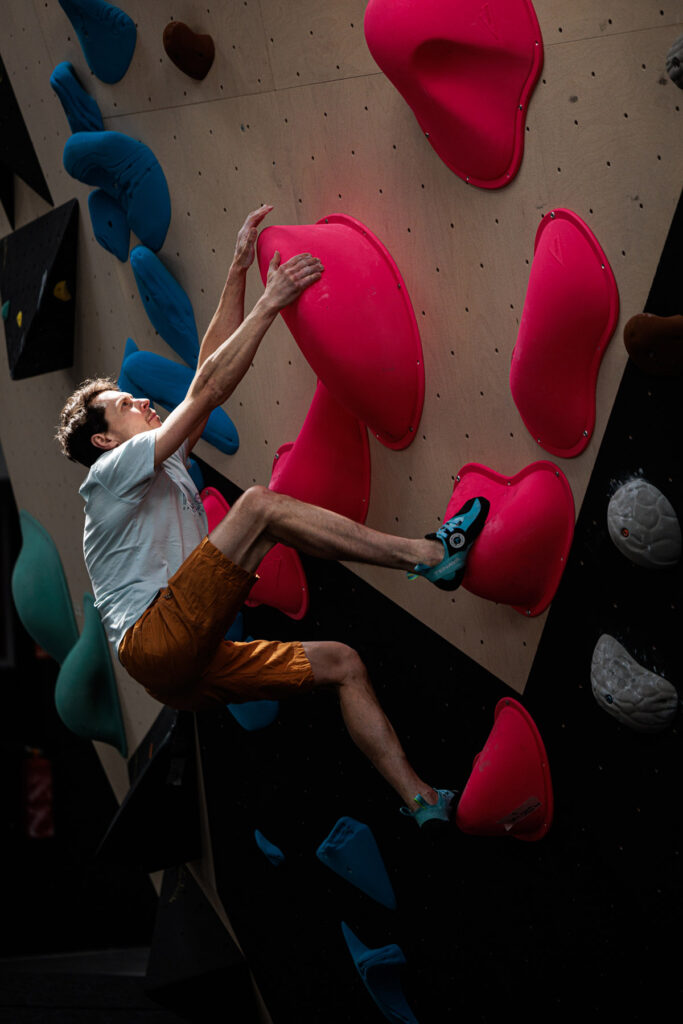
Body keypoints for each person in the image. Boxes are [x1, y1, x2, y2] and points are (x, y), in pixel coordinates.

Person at [56, 205, 489, 827]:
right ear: (103, 439)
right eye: (125, 403)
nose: (142, 400)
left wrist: (238, 269)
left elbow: (205, 371)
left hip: (177, 672)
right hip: (159, 637)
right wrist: (270, 301)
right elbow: (208, 390)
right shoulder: (108, 473)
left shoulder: (154, 465)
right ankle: (431, 556)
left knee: (341, 663)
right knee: (258, 506)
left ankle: (419, 800)